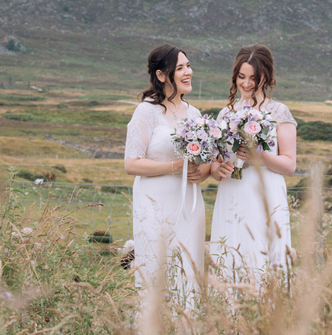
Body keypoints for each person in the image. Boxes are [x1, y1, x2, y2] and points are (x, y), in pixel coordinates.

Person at [124, 44, 209, 303]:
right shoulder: (146, 111)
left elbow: (203, 163)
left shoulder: (195, 115)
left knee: (187, 270)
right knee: (156, 268)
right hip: (154, 204)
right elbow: (132, 164)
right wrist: (175, 167)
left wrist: (202, 171)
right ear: (161, 75)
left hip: (189, 207)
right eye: (180, 68)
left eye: (189, 66)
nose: (188, 72)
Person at [209, 44, 297, 286]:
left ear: (266, 78)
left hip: (265, 191)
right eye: (241, 77)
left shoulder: (279, 112)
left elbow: (289, 166)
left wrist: (259, 156)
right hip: (231, 191)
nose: (246, 84)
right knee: (230, 250)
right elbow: (217, 165)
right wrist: (219, 170)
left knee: (262, 253)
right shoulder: (225, 114)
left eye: (253, 79)